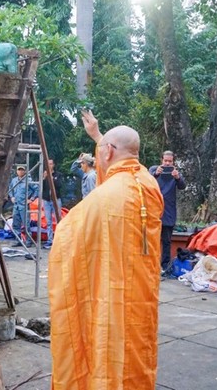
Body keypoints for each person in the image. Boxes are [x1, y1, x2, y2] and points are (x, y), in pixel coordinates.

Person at [48, 110, 163, 390]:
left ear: (108, 152)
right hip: (140, 297)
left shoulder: (104, 199)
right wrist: (99, 137)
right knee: (137, 348)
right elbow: (112, 171)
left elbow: (66, 235)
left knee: (108, 347)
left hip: (111, 291)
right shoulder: (148, 184)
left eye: (102, 150)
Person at [149, 151, 186, 271]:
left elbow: (182, 186)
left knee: (166, 241)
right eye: (165, 161)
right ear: (161, 160)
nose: (167, 163)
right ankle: (151, 264)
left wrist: (177, 177)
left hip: (169, 210)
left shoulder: (175, 172)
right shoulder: (154, 170)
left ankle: (165, 266)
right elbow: (147, 183)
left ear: (173, 161)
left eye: (170, 161)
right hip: (154, 209)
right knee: (152, 240)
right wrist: (156, 174)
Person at [8, 165, 37, 246]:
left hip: (24, 205)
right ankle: (18, 240)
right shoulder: (14, 180)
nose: (20, 171)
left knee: (26, 224)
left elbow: (37, 189)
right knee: (15, 224)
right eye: (19, 170)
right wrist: (12, 197)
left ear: (25, 171)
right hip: (16, 205)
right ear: (16, 171)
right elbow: (10, 189)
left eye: (22, 170)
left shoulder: (29, 180)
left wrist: (31, 199)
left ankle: (28, 241)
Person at [40, 158, 62, 249]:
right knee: (48, 221)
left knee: (58, 221)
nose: (49, 165)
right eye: (48, 164)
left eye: (51, 164)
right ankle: (50, 240)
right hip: (46, 200)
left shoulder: (58, 175)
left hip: (56, 200)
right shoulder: (44, 174)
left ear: (54, 165)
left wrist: (52, 179)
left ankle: (58, 240)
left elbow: (60, 186)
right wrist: (44, 178)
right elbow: (40, 187)